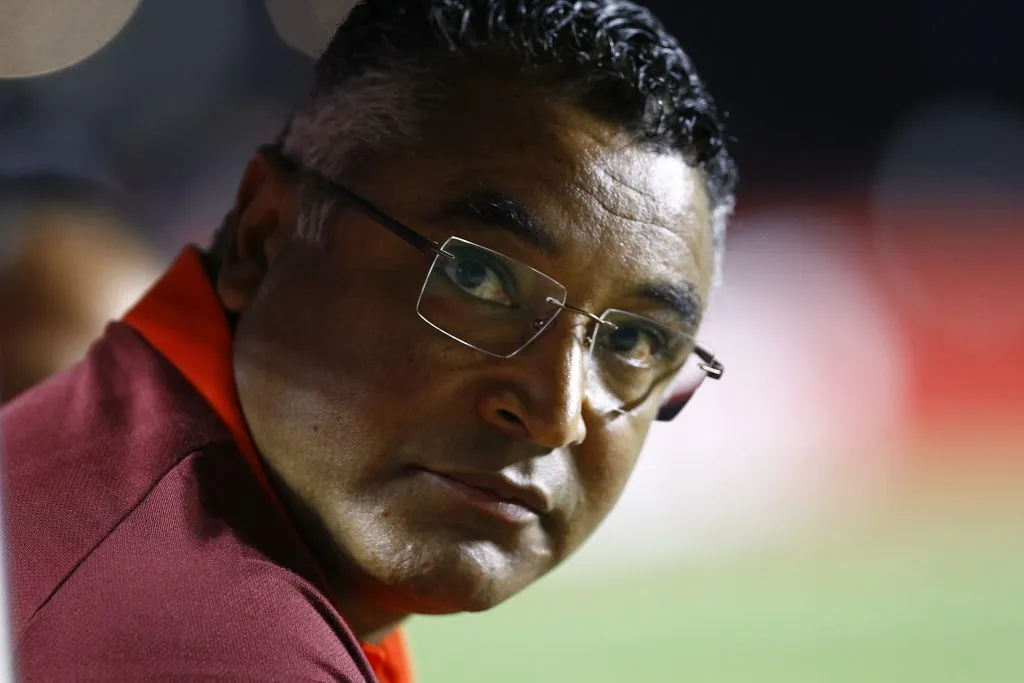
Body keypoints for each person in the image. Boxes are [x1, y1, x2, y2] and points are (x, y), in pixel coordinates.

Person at [1, 0, 736, 680]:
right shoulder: (224, 643)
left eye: (636, 340)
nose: (554, 412)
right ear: (265, 237)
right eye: (479, 277)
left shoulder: (124, 459)